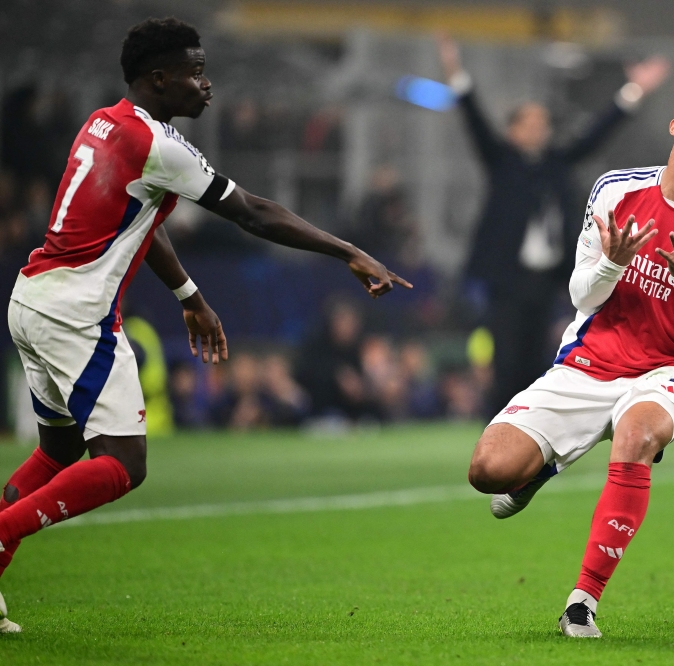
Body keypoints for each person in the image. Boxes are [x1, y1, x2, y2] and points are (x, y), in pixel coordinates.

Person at [0, 17, 410, 632]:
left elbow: (144, 219)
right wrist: (348, 250)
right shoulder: (159, 145)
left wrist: (189, 293)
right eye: (195, 72)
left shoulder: (104, 121)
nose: (206, 84)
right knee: (124, 465)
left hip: (32, 300)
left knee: (59, 449)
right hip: (76, 315)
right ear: (160, 79)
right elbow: (256, 213)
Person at [466, 86, 674, 637]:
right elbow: (582, 295)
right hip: (589, 361)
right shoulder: (615, 189)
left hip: (665, 370)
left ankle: (582, 602)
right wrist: (611, 263)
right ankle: (540, 470)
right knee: (488, 471)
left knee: (636, 438)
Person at [437, 36, 671, 418]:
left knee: (536, 359)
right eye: (529, 123)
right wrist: (455, 72)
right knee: (506, 357)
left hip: (546, 278)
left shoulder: (555, 164)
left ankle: (529, 427)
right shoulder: (503, 162)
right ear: (512, 129)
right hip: (508, 278)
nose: (539, 129)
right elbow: (473, 118)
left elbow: (596, 134)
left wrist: (634, 90)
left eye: (542, 123)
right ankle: (497, 426)